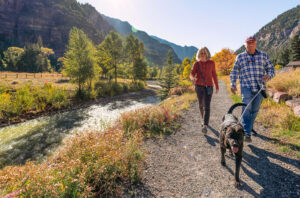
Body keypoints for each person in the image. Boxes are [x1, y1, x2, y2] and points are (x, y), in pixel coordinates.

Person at [230, 36, 275, 142]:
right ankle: (247, 133)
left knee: (254, 111)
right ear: (245, 45)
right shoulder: (240, 57)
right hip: (246, 87)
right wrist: (233, 84)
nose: (251, 45)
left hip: (260, 88)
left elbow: (271, 69)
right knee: (246, 109)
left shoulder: (263, 55)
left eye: (253, 43)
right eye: (248, 43)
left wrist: (268, 75)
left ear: (256, 44)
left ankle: (247, 127)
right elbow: (234, 71)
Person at [190, 47, 219, 133]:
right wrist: (192, 78)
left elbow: (214, 74)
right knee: (200, 105)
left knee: (207, 106)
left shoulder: (211, 63)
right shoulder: (196, 64)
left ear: (207, 54)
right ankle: (203, 118)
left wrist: (217, 85)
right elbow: (191, 73)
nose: (203, 54)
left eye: (204, 53)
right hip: (198, 87)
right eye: (201, 53)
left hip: (209, 87)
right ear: (199, 54)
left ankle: (205, 125)